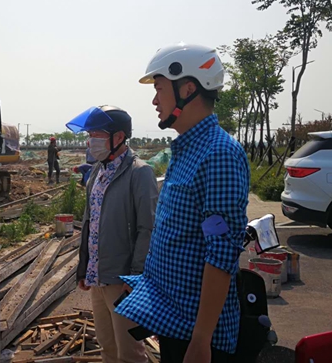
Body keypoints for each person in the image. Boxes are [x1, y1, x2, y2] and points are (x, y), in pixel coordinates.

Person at [116, 43, 250, 363]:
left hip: (195, 336)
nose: (155, 100)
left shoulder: (218, 154)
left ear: (188, 89)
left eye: (160, 89)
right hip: (174, 322)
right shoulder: (187, 150)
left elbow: (221, 253)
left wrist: (201, 340)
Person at [65, 105, 158, 363]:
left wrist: (136, 277)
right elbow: (90, 222)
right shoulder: (97, 171)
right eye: (90, 135)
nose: (90, 141)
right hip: (98, 276)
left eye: (97, 134)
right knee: (107, 347)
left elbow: (147, 228)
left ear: (118, 137)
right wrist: (84, 267)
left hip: (123, 280)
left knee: (129, 352)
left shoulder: (140, 173)